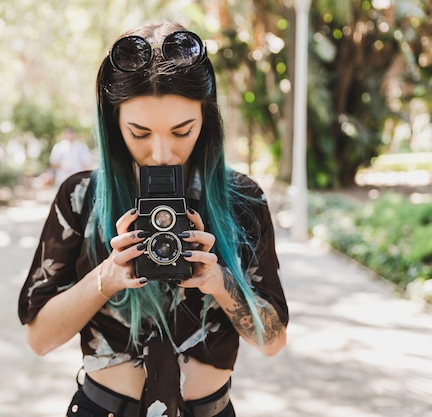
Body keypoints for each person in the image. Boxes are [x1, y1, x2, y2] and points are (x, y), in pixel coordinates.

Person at [18, 21, 288, 417]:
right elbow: (38, 339)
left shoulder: (241, 198)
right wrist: (106, 279)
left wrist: (220, 283)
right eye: (139, 133)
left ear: (206, 119)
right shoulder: (81, 197)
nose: (162, 153)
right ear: (113, 126)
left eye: (182, 130)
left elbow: (273, 342)